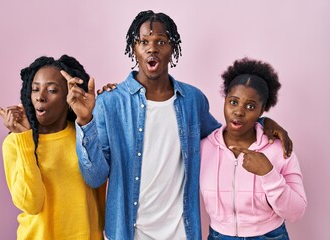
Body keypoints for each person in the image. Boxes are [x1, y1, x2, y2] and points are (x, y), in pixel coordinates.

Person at [62, 10, 292, 240]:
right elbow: (94, 177)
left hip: (182, 233)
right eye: (143, 42)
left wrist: (262, 121)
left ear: (173, 48)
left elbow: (223, 138)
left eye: (161, 41)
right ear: (133, 48)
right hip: (127, 232)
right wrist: (85, 121)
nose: (152, 48)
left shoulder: (192, 100)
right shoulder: (109, 103)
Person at [0, 55, 105, 240]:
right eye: (35, 89)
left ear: (69, 96)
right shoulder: (14, 144)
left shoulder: (85, 135)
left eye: (51, 90)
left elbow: (101, 192)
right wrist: (25, 141)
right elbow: (31, 204)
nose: (40, 97)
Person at [200, 58, 307, 239]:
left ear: (262, 110)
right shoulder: (204, 148)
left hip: (270, 235)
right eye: (233, 102)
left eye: (250, 106)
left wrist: (269, 174)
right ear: (225, 100)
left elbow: (296, 212)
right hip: (219, 235)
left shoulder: (279, 149)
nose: (239, 111)